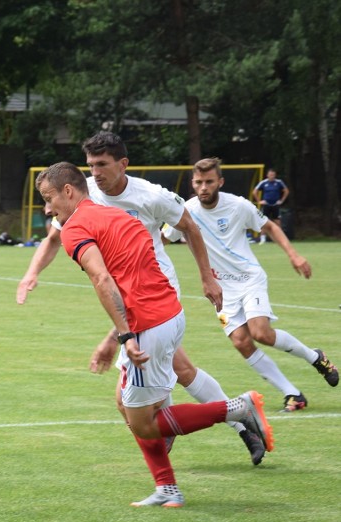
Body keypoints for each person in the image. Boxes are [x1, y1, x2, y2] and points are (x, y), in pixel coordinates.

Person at [18, 131, 266, 465]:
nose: (96, 173)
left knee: (132, 401)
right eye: (91, 165)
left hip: (154, 289)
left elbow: (190, 227)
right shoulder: (82, 196)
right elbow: (53, 239)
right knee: (182, 370)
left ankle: (175, 444)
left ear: (123, 164)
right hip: (130, 295)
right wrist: (31, 273)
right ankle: (232, 425)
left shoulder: (150, 195)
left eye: (102, 164)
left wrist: (207, 277)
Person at [182, 158, 338, 411]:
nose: (203, 188)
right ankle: (293, 394)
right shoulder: (185, 212)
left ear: (220, 182)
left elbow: (271, 229)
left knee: (261, 333)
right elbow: (162, 238)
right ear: (192, 182)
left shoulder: (238, 206)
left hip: (249, 278)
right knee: (241, 342)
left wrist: (294, 255)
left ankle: (314, 357)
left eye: (209, 182)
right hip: (221, 290)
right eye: (199, 182)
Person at [251, 169, 290, 244]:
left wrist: (281, 200)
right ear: (267, 175)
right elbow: (254, 192)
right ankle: (263, 239)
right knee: (263, 222)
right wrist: (259, 201)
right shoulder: (264, 182)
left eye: (273, 175)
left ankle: (280, 240)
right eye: (271, 175)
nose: (272, 176)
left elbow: (286, 191)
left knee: (278, 222)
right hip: (266, 205)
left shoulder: (279, 182)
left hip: (275, 205)